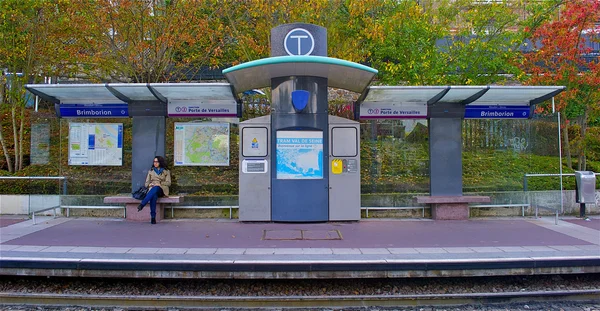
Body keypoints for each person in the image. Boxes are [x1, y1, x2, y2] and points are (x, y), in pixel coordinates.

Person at [137, 156, 171, 224]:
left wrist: (159, 183)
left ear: (160, 162)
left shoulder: (166, 171)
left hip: (162, 189)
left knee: (156, 188)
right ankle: (153, 217)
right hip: (153, 189)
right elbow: (146, 184)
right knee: (154, 195)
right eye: (154, 162)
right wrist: (151, 184)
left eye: (157, 162)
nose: (155, 163)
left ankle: (143, 203)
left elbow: (169, 183)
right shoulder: (151, 171)